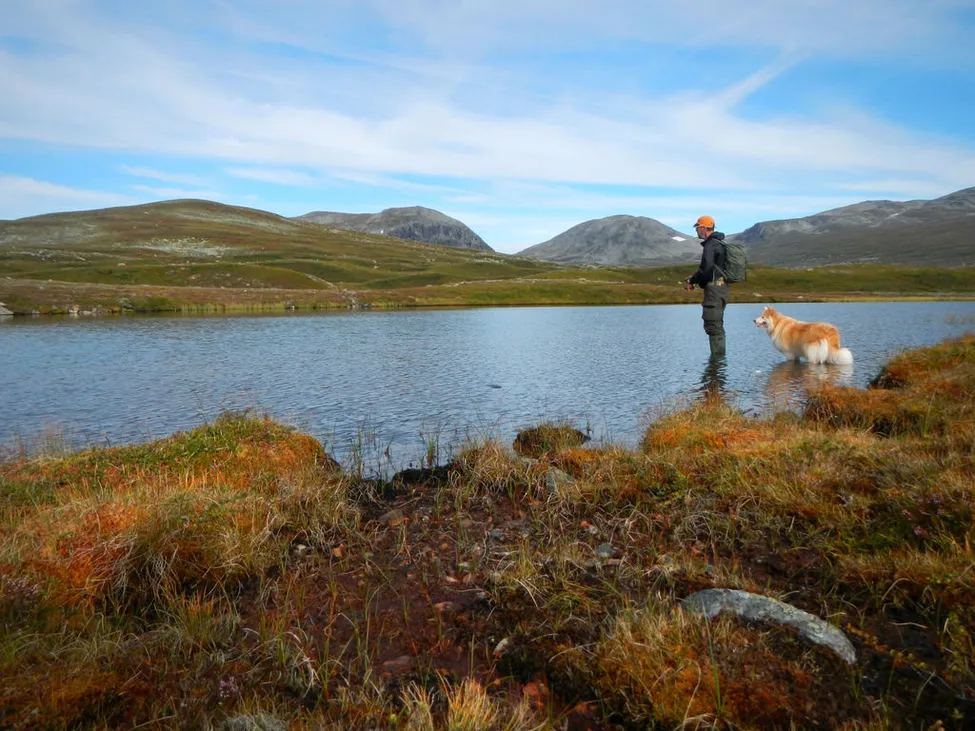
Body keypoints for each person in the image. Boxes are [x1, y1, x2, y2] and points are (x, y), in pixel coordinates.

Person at [685, 215, 729, 358]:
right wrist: (694, 278)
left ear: (703, 228)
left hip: (714, 292)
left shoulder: (710, 245)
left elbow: (706, 269)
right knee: (717, 325)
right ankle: (719, 367)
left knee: (713, 326)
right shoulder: (719, 243)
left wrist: (693, 281)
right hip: (721, 289)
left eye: (697, 228)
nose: (697, 230)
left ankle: (716, 366)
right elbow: (710, 269)